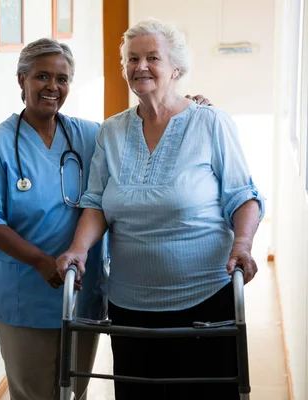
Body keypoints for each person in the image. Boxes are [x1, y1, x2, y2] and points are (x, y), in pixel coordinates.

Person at [0, 37, 211, 400]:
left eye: (62, 79)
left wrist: (189, 109)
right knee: (34, 394)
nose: (52, 87)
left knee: (74, 390)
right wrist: (40, 261)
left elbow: (146, 128)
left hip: (83, 288)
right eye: (41, 77)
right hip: (24, 293)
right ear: (22, 80)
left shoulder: (91, 134)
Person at [56, 18, 264, 400]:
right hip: (129, 306)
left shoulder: (211, 123)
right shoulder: (112, 132)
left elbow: (243, 196)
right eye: (132, 59)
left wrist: (243, 245)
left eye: (153, 57)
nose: (141, 66)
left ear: (176, 68)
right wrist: (78, 249)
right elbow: (96, 202)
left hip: (203, 299)